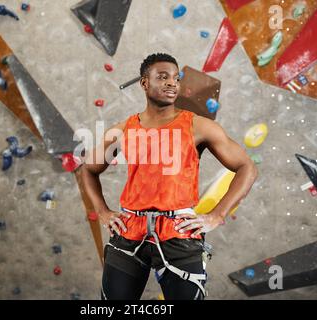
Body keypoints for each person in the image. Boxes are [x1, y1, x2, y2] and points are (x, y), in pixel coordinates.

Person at [81, 53, 258, 300]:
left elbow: (246, 167)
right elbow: (88, 170)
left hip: (178, 233)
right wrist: (103, 211)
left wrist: (217, 215)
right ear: (144, 83)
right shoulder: (123, 129)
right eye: (162, 77)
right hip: (130, 231)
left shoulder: (199, 126)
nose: (172, 83)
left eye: (176, 78)